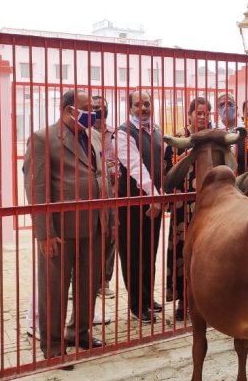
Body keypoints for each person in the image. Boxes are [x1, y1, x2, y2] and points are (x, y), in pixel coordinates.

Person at [23, 89, 105, 363]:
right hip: (61, 228)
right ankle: (53, 344)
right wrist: (45, 233)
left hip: (93, 223)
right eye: (86, 108)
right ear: (68, 109)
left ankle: (79, 332)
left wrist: (110, 219)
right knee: (55, 288)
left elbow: (99, 177)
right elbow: (36, 186)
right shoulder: (43, 138)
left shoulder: (92, 136)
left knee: (88, 283)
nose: (92, 114)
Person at [115, 91, 165, 324]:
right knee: (133, 253)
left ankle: (147, 297)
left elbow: (160, 164)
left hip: (153, 201)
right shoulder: (123, 134)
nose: (142, 108)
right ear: (130, 107)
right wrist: (154, 196)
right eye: (138, 104)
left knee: (150, 251)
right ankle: (137, 305)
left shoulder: (155, 130)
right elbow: (136, 168)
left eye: (146, 104)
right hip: (132, 202)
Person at [163, 96, 210, 322]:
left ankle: (206, 301)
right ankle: (183, 300)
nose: (201, 116)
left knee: (209, 253)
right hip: (183, 208)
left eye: (205, 113)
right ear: (190, 114)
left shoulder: (216, 139)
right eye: (197, 112)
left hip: (210, 205)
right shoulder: (178, 138)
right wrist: (183, 159)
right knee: (183, 252)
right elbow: (166, 176)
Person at [90, 96, 117, 302]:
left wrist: (112, 169)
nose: (99, 111)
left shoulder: (115, 134)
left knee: (111, 238)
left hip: (113, 193)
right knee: (89, 238)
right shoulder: (83, 133)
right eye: (95, 108)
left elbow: (120, 162)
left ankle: (103, 282)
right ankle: (84, 282)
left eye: (102, 108)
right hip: (90, 195)